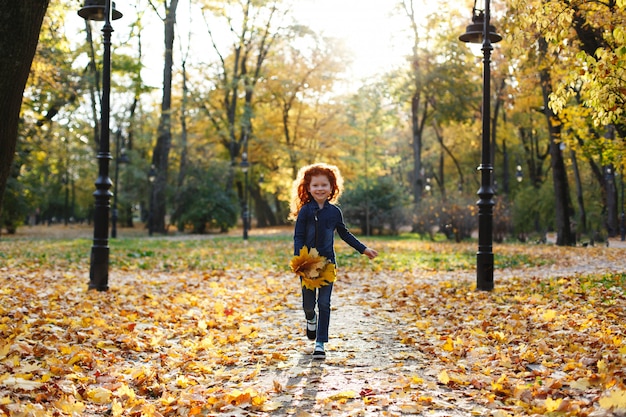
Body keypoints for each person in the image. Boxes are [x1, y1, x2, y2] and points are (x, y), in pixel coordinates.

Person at [289, 163, 378, 360]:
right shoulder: (305, 211)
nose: (320, 189)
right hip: (308, 264)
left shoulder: (334, 212)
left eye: (324, 185)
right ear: (308, 188)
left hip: (328, 264)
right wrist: (300, 258)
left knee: (325, 303)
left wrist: (364, 249)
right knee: (309, 305)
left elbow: (345, 234)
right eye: (315, 185)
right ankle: (310, 320)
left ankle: (320, 343)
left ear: (332, 188)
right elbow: (299, 236)